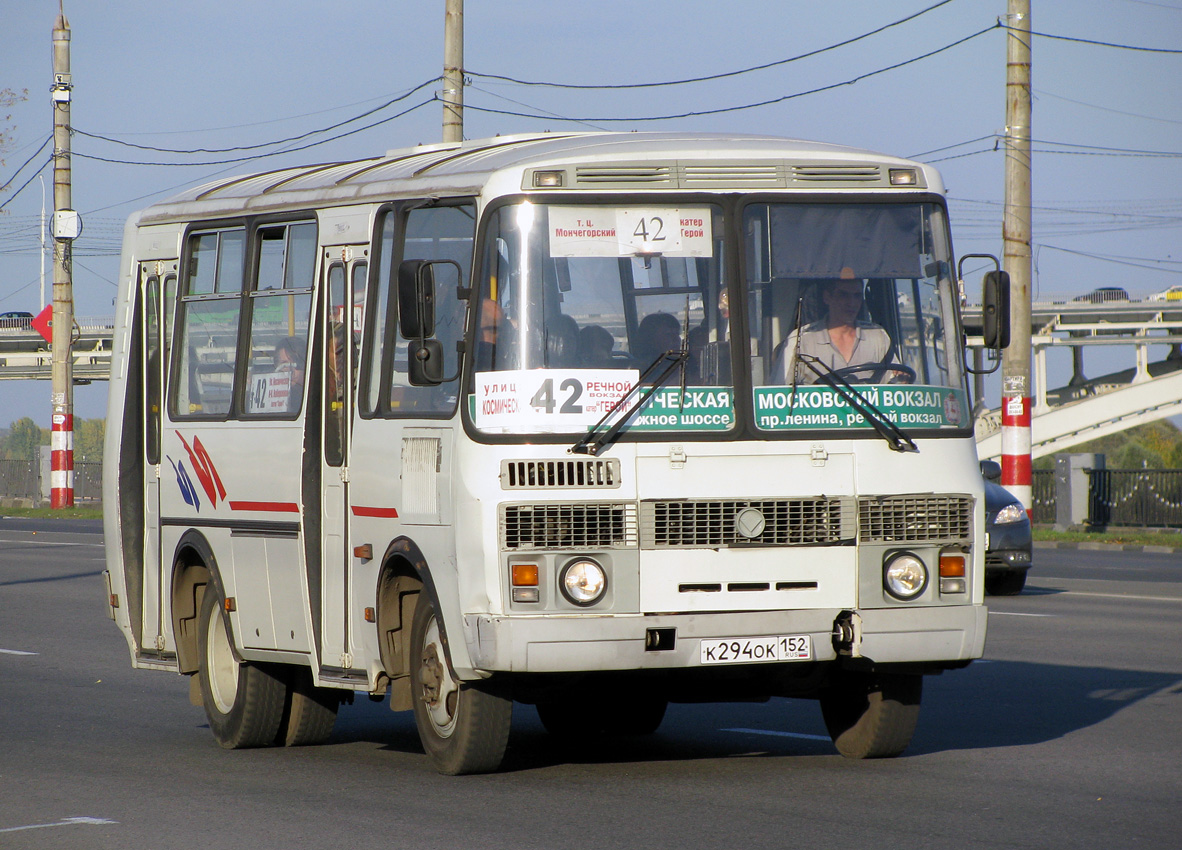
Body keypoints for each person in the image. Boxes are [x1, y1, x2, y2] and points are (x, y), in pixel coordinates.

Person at [771, 274, 907, 385]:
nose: (852, 303)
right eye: (843, 295)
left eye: (857, 296)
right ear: (827, 297)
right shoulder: (800, 341)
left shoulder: (878, 337)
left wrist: (902, 379)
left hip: (869, 417)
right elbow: (779, 394)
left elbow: (895, 386)